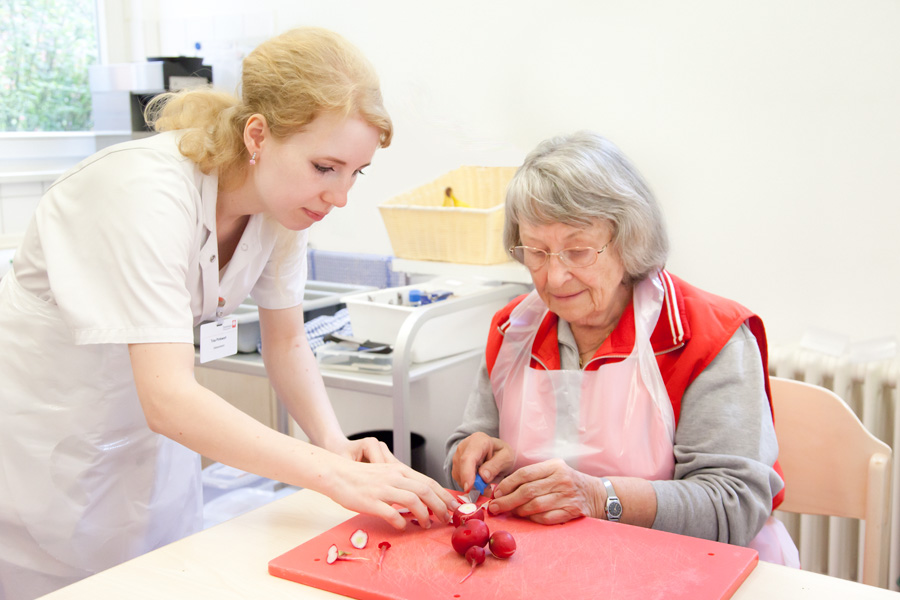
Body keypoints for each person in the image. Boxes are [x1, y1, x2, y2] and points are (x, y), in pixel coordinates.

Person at [0, 27, 457, 600]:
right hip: (46, 434)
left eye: (354, 173)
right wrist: (335, 475)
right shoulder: (145, 190)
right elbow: (167, 398)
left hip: (145, 440)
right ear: (258, 134)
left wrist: (334, 444)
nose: (340, 196)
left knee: (155, 571)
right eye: (325, 167)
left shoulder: (280, 209)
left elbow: (287, 342)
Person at [444, 131, 799, 566]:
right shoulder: (514, 329)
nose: (553, 279)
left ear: (629, 240)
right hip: (559, 567)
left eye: (577, 251)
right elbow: (470, 446)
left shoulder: (707, 336)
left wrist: (599, 497)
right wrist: (472, 456)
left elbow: (731, 507)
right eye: (536, 251)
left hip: (698, 571)